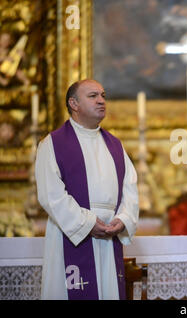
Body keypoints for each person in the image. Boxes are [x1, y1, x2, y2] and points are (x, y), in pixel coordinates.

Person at [35, 79, 139, 300]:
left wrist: (123, 219)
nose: (101, 100)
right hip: (72, 234)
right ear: (74, 103)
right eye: (93, 96)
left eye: (103, 95)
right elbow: (51, 195)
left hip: (109, 236)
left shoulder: (115, 145)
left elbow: (130, 188)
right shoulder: (52, 144)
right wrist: (88, 223)